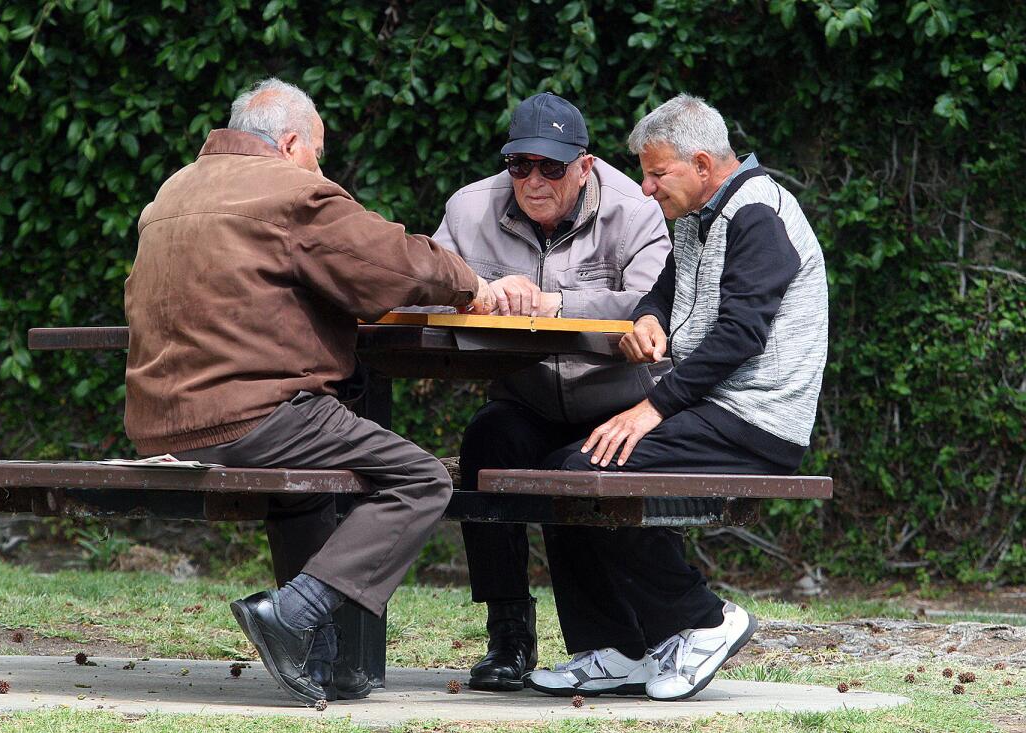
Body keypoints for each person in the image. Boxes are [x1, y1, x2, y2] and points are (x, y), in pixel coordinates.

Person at [123, 78, 495, 706]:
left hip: (160, 423)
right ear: (291, 142)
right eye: (318, 154)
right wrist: (471, 284)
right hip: (251, 416)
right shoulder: (290, 190)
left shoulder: (172, 191)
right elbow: (395, 266)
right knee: (423, 479)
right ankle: (294, 612)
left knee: (308, 485)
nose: (321, 169)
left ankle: (319, 659)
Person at [525, 93, 828, 701]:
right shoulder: (697, 216)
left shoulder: (758, 213)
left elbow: (742, 333)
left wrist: (653, 407)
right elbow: (662, 290)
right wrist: (647, 319)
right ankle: (614, 649)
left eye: (656, 173)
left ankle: (703, 620)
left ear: (702, 163)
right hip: (708, 407)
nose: (645, 188)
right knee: (562, 472)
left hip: (757, 422)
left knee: (589, 471)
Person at [431, 91, 671, 691]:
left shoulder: (634, 209)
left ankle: (656, 634)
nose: (532, 181)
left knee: (595, 462)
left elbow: (655, 304)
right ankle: (508, 631)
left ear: (585, 166)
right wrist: (478, 293)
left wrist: (552, 303)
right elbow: (424, 281)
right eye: (519, 166)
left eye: (551, 167)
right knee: (487, 444)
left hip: (616, 398)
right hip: (527, 397)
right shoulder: (467, 209)